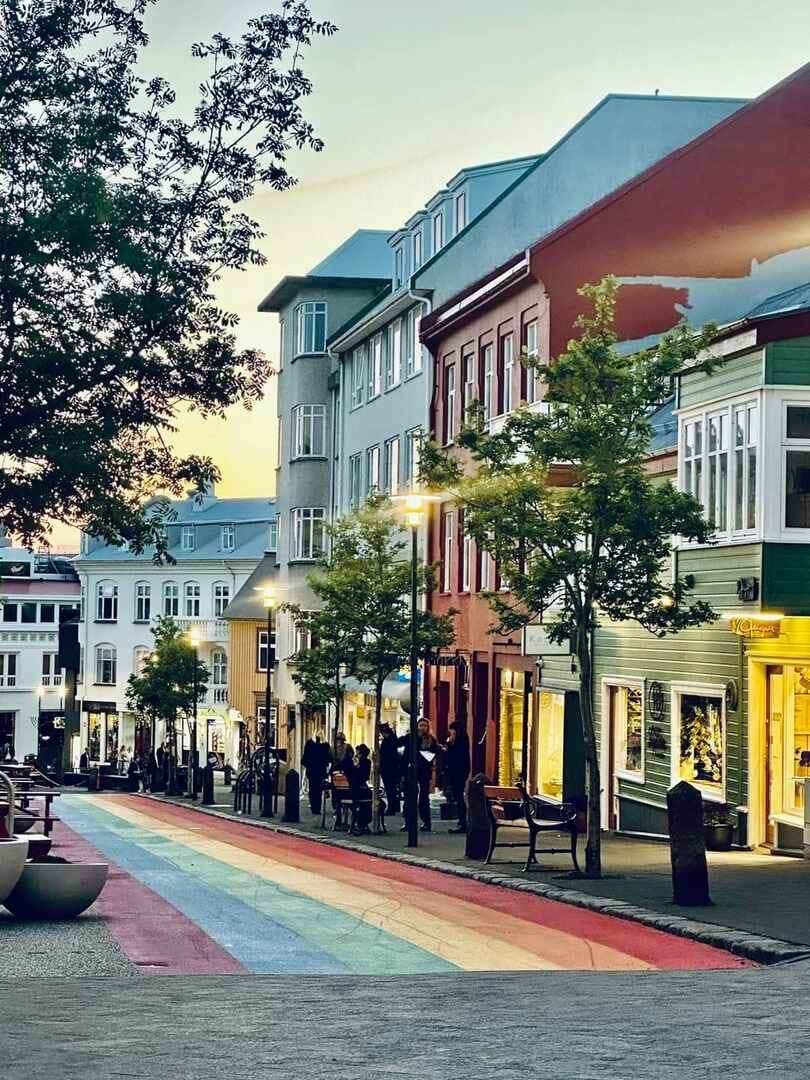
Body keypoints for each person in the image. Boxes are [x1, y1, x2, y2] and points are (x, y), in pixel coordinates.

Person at [399, 717, 439, 832]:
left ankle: (426, 822)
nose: (422, 728)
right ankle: (408, 822)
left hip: (424, 772)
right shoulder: (410, 738)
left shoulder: (431, 740)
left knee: (423, 798)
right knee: (409, 798)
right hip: (410, 771)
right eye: (421, 725)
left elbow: (434, 754)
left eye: (425, 726)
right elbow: (404, 753)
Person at [442, 720, 471, 833]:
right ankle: (462, 822)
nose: (451, 735)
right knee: (458, 797)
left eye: (452, 733)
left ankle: (462, 823)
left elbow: (454, 757)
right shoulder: (463, 741)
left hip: (457, 772)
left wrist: (448, 746)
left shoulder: (459, 743)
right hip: (460, 772)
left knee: (459, 798)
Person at [301, 732, 331, 815]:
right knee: (318, 790)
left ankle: (314, 806)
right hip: (320, 771)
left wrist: (305, 764)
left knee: (312, 789)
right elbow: (327, 759)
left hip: (312, 770)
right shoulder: (325, 745)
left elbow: (305, 756)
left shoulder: (310, 743)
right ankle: (317, 807)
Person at [350, 743, 373, 833]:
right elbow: (364, 777)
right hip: (357, 790)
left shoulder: (359, 762)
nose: (356, 755)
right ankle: (363, 823)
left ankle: (361, 823)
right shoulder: (365, 762)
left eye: (358, 753)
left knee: (366, 801)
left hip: (351, 791)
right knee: (368, 800)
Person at [378, 722, 401, 815]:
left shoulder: (388, 741)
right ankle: (395, 807)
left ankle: (392, 808)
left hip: (389, 768)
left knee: (390, 788)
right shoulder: (391, 739)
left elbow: (387, 755)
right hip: (391, 768)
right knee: (392, 789)